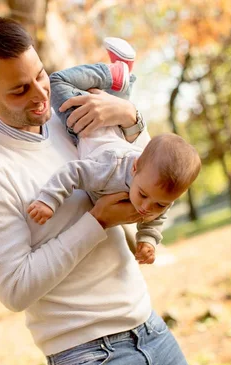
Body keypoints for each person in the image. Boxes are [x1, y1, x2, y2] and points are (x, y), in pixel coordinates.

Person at [0, 16, 201, 365]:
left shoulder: (71, 117)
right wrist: (98, 220)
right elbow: (14, 290)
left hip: (151, 329)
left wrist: (132, 120)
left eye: (41, 75)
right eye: (20, 90)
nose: (41, 95)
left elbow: (144, 171)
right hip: (89, 362)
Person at [27, 43, 202, 264]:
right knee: (56, 83)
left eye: (160, 204)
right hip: (86, 126)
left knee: (117, 99)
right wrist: (48, 200)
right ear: (135, 167)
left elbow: (156, 219)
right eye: (144, 195)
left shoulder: (157, 193)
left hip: (116, 130)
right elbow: (73, 172)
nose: (146, 208)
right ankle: (111, 74)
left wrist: (148, 240)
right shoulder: (111, 170)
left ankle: (123, 77)